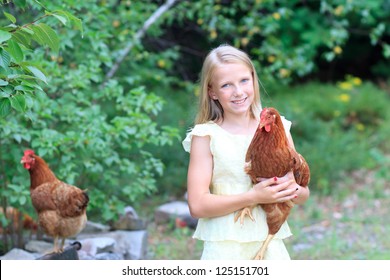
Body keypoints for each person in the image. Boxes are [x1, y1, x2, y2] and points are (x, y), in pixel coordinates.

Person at [182, 44, 310, 260]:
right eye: (226, 85)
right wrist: (253, 196)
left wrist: (291, 188)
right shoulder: (206, 136)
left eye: (244, 80)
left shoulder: (278, 129)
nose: (238, 92)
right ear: (212, 92)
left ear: (253, 80)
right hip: (226, 247)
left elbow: (303, 195)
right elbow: (197, 205)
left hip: (269, 245)